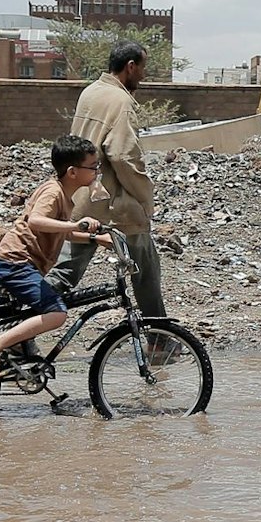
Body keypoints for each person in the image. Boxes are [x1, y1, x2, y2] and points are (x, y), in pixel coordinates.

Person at [50, 39, 167, 320]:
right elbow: (124, 156)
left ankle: (24, 315)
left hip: (81, 195)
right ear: (129, 67)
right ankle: (159, 336)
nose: (143, 74)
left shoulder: (90, 92)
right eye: (142, 67)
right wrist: (144, 199)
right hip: (112, 201)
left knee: (67, 268)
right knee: (144, 264)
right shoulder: (122, 101)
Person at [0, 135, 113, 377]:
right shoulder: (53, 192)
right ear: (73, 172)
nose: (97, 172)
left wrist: (95, 239)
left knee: (1, 324)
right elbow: (37, 221)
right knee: (56, 313)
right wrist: (75, 226)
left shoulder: (64, 195)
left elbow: (60, 233)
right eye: (93, 167)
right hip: (15, 263)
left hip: (17, 263)